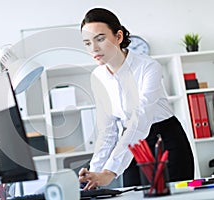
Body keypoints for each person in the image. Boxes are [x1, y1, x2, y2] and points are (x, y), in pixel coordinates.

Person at [78, 8, 194, 190]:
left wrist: (110, 172)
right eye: (87, 43)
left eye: (100, 39)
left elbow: (140, 119)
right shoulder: (97, 77)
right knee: (131, 193)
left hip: (164, 140)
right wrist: (95, 172)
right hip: (131, 144)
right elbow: (107, 130)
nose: (94, 48)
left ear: (118, 36)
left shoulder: (148, 67)